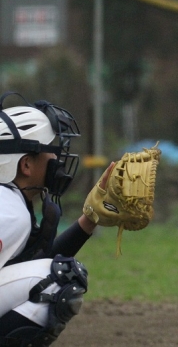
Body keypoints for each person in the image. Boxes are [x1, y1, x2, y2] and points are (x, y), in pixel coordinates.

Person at [0, 92, 114, 346]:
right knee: (62, 277)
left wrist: (89, 219)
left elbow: (35, 264)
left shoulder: (10, 201)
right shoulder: (10, 212)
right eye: (51, 151)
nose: (57, 159)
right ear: (26, 165)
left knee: (55, 273)